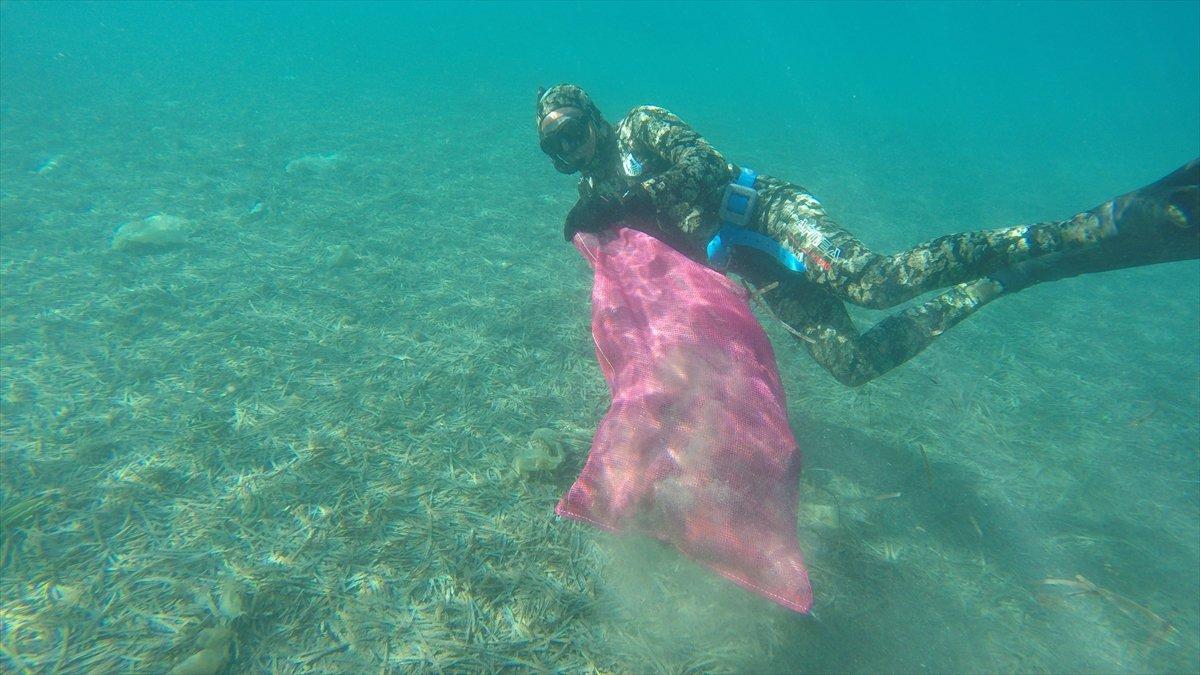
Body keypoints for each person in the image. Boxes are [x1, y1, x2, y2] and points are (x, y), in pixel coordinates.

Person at [535, 83, 1199, 386]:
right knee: (852, 366)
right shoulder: (593, 201)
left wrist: (629, 196)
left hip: (764, 212)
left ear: (594, 116)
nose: (571, 146)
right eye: (555, 145)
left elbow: (704, 166)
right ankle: (1003, 279)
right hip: (749, 263)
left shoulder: (641, 126)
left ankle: (1087, 226)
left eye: (574, 128)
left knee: (877, 281)